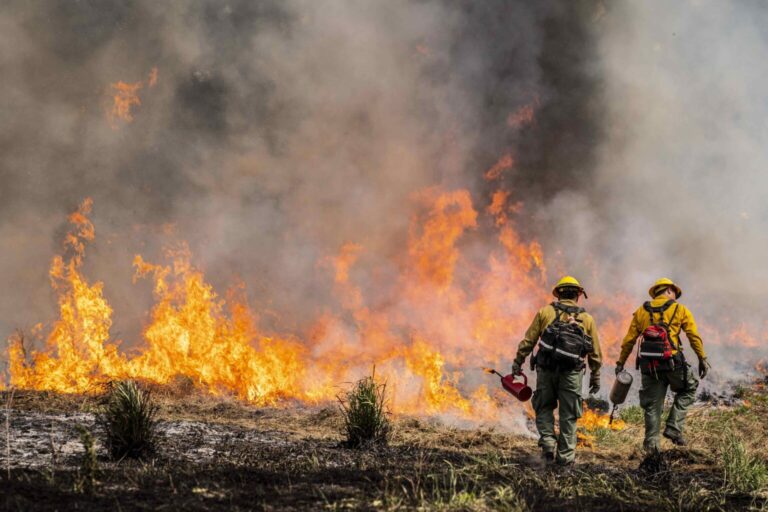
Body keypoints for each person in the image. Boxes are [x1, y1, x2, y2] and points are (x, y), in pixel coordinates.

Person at [512, 276, 602, 466]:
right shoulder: (586, 319)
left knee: (543, 407)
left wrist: (518, 362)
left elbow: (528, 341)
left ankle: (547, 443)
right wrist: (596, 376)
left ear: (558, 294)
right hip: (571, 375)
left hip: (546, 371)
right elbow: (595, 352)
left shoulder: (545, 312)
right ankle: (565, 460)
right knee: (568, 416)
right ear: (578, 295)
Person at [615, 278, 710, 452]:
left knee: (652, 406)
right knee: (689, 388)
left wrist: (620, 363)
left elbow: (629, 341)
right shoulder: (680, 309)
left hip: (649, 366)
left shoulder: (641, 311)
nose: (675, 296)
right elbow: (693, 336)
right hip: (673, 363)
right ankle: (673, 427)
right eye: (674, 293)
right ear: (668, 290)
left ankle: (652, 448)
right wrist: (702, 358)